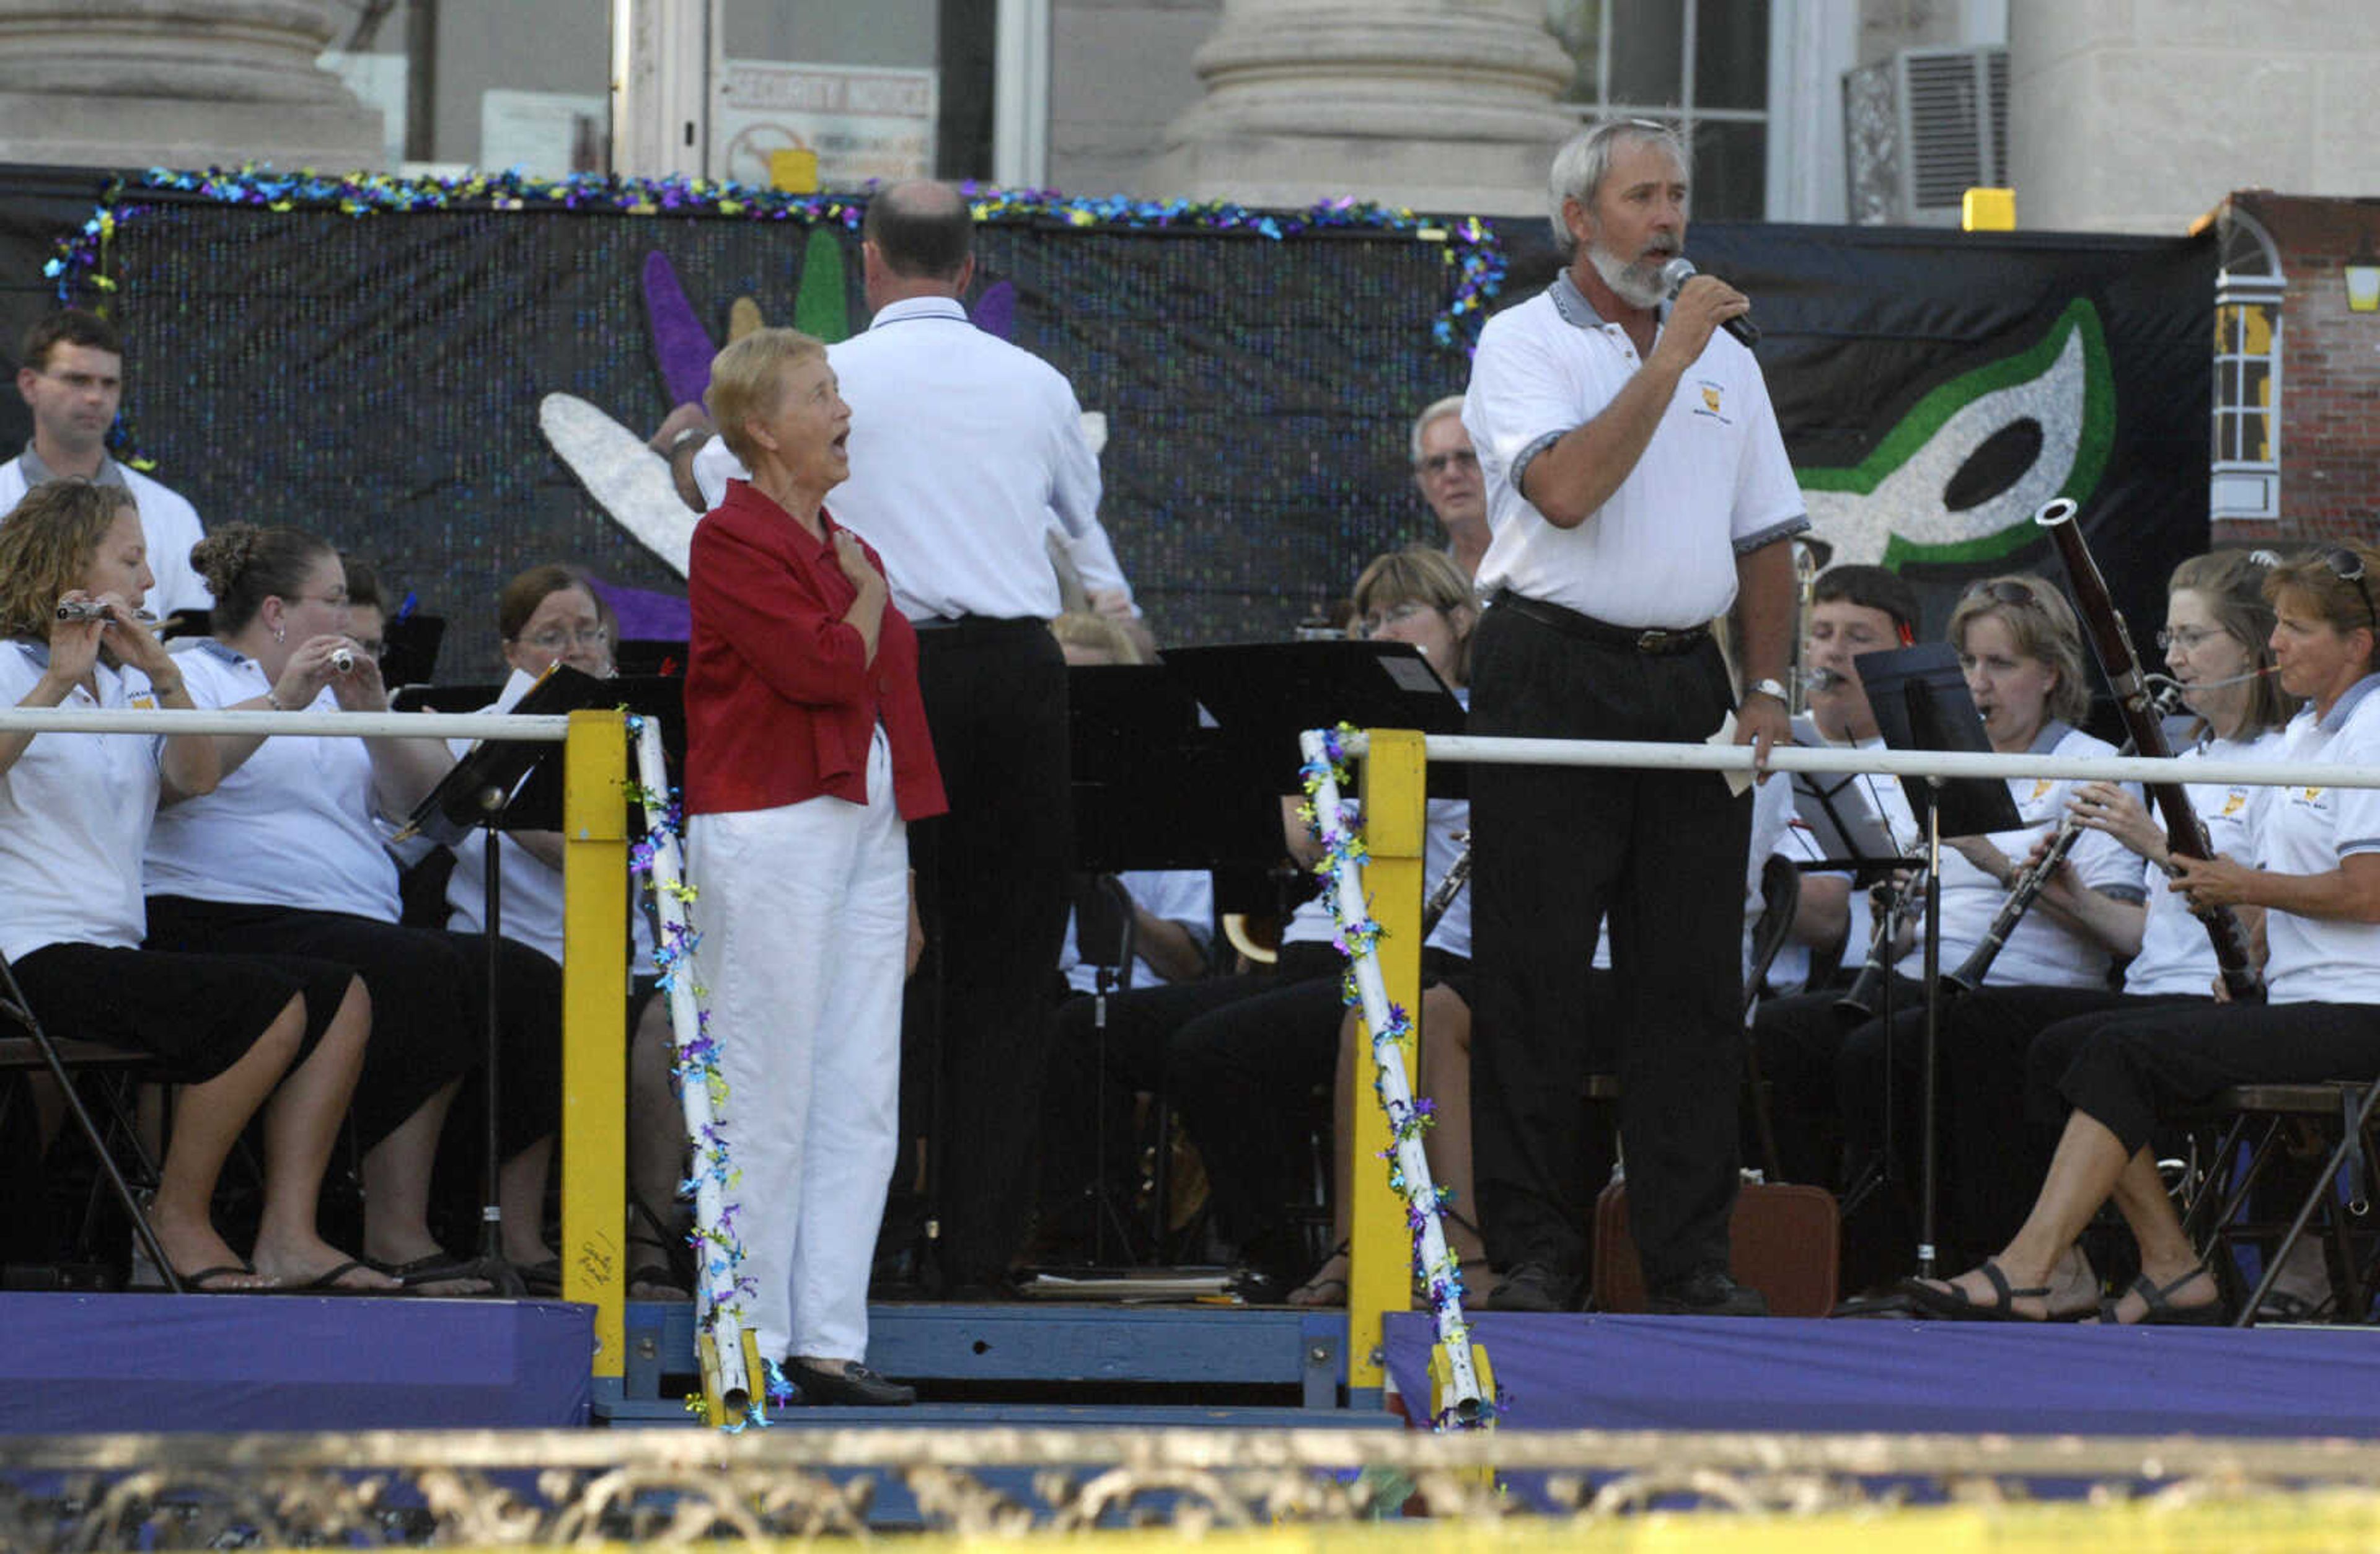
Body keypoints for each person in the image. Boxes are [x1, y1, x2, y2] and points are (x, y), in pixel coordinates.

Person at [687, 181, 1139, 1297]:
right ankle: (979, 1250)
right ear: (972, 268)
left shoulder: (825, 384)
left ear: (872, 261)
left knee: (874, 963)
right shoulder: (1036, 383)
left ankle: (867, 1248)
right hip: (1000, 675)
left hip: (878, 672)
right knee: (1006, 968)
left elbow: (716, 477)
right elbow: (1084, 531)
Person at [1460, 118, 1805, 1315]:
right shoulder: (1521, 342)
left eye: (1679, 195)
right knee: (1534, 975)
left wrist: (1767, 689)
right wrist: (1669, 358)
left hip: (1683, 683)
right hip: (1549, 665)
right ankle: (1540, 1250)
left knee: (1692, 982)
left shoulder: (1731, 361)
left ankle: (1689, 1256)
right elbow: (1560, 492)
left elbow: (1768, 540)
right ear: (1579, 219)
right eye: (1644, 197)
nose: (1670, 218)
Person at [1906, 544, 2380, 1325]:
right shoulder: (2309, 735)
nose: (2279, 644)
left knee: (2118, 1053)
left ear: (2356, 644)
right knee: (2061, 1047)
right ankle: (2169, 1263)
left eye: (2296, 628)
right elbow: (2275, 886)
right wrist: (2251, 952)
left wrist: (2238, 887)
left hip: (2358, 1010)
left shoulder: (2369, 729)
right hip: (2300, 997)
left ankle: (2032, 1264)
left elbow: (2367, 893)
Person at [141, 524, 558, 1296]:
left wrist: (371, 714)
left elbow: (426, 815)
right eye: (333, 601)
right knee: (419, 970)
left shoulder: (339, 695)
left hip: (346, 915)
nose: (351, 618)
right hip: (221, 907)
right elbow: (176, 781)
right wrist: (282, 700)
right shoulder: (193, 676)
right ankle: (395, 1233)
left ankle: (521, 1238)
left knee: (526, 978)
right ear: (275, 612)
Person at [0, 479, 387, 1291]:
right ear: (70, 561)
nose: (149, 584)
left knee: (336, 993)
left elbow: (195, 776)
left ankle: (290, 1234)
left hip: (109, 944)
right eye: (131, 561)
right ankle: (172, 1221)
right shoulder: (6, 664)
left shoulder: (130, 680)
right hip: (24, 949)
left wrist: (164, 678)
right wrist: (54, 685)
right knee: (262, 1005)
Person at [685, 327, 944, 1403]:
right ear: (763, 425)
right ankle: (745, 1332)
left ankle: (828, 1337)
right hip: (772, 824)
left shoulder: (847, 545)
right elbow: (823, 664)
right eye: (824, 394)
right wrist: (869, 605)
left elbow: (899, 709)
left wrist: (913, 864)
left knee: (857, 1087)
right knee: (763, 1081)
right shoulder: (729, 540)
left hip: (863, 828)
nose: (845, 411)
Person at [443, 563, 690, 1299]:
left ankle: (646, 1244)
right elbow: (565, 849)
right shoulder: (485, 735)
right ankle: (522, 1238)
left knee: (670, 1026)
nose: (575, 648)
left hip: (632, 962)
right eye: (551, 636)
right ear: (511, 651)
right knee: (547, 1006)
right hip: (512, 953)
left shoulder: (647, 735)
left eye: (588, 631)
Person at [2, 311, 209, 620]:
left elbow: (189, 644)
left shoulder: (172, 513)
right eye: (77, 380)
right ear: (30, 385)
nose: (95, 397)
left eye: (109, 383)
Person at [1408, 397, 1490, 581]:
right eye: (1437, 464)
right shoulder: (1420, 585)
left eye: (1466, 458)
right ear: (1423, 484)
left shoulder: (1545, 562)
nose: (1452, 474)